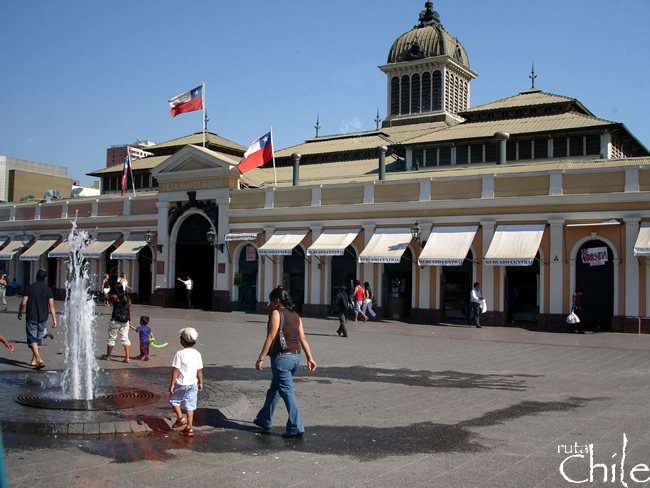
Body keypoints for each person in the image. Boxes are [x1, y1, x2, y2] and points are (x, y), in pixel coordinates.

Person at [253, 287, 317, 439]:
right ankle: (264, 419)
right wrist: (310, 358)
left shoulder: (277, 313)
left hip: (281, 358)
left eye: (271, 301)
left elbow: (271, 337)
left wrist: (261, 358)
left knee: (287, 393)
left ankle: (295, 427)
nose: (270, 304)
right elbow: (303, 338)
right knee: (275, 389)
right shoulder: (296, 315)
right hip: (296, 357)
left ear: (276, 301)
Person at [17, 269, 56, 369]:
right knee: (38, 339)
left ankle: (39, 359)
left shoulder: (30, 288)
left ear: (35, 276)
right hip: (43, 318)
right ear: (45, 278)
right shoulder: (48, 290)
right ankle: (33, 361)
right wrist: (54, 319)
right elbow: (51, 305)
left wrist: (20, 312)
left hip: (31, 317)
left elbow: (23, 302)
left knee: (32, 339)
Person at [169, 327, 203, 437]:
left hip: (181, 383)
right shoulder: (197, 354)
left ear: (183, 341)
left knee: (173, 400)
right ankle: (189, 428)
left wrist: (172, 383)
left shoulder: (180, 353)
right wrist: (200, 382)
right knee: (190, 406)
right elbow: (199, 370)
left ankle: (180, 418)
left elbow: (176, 369)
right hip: (193, 383)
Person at [105, 288, 132, 362]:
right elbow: (129, 309)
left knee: (111, 338)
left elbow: (106, 297)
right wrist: (130, 320)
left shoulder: (115, 297)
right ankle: (127, 358)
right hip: (125, 320)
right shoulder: (127, 297)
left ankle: (108, 356)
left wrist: (110, 292)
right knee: (125, 338)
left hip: (116, 320)